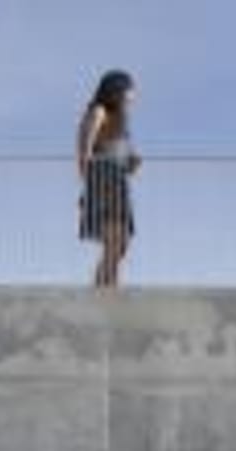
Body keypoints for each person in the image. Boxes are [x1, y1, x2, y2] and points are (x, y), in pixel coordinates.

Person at [77, 70, 141, 289]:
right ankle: (105, 291)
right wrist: (88, 184)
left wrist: (130, 162)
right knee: (116, 241)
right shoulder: (99, 111)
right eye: (130, 91)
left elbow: (120, 158)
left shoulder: (120, 121)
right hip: (103, 179)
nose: (132, 97)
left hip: (117, 178)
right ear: (117, 90)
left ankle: (108, 288)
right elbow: (84, 149)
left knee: (119, 243)